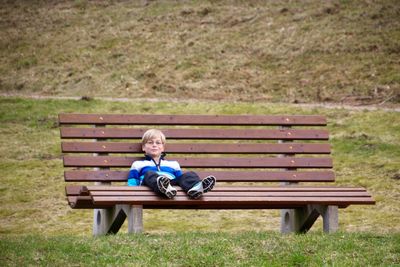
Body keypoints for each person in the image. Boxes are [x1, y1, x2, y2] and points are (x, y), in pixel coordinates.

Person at [127, 129, 216, 199]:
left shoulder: (173, 164)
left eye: (158, 143)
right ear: (143, 147)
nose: (154, 145)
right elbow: (132, 183)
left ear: (162, 148)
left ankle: (196, 188)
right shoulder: (138, 164)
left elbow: (180, 179)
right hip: (149, 186)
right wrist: (132, 196)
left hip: (170, 186)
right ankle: (162, 186)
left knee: (190, 174)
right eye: (150, 143)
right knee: (149, 174)